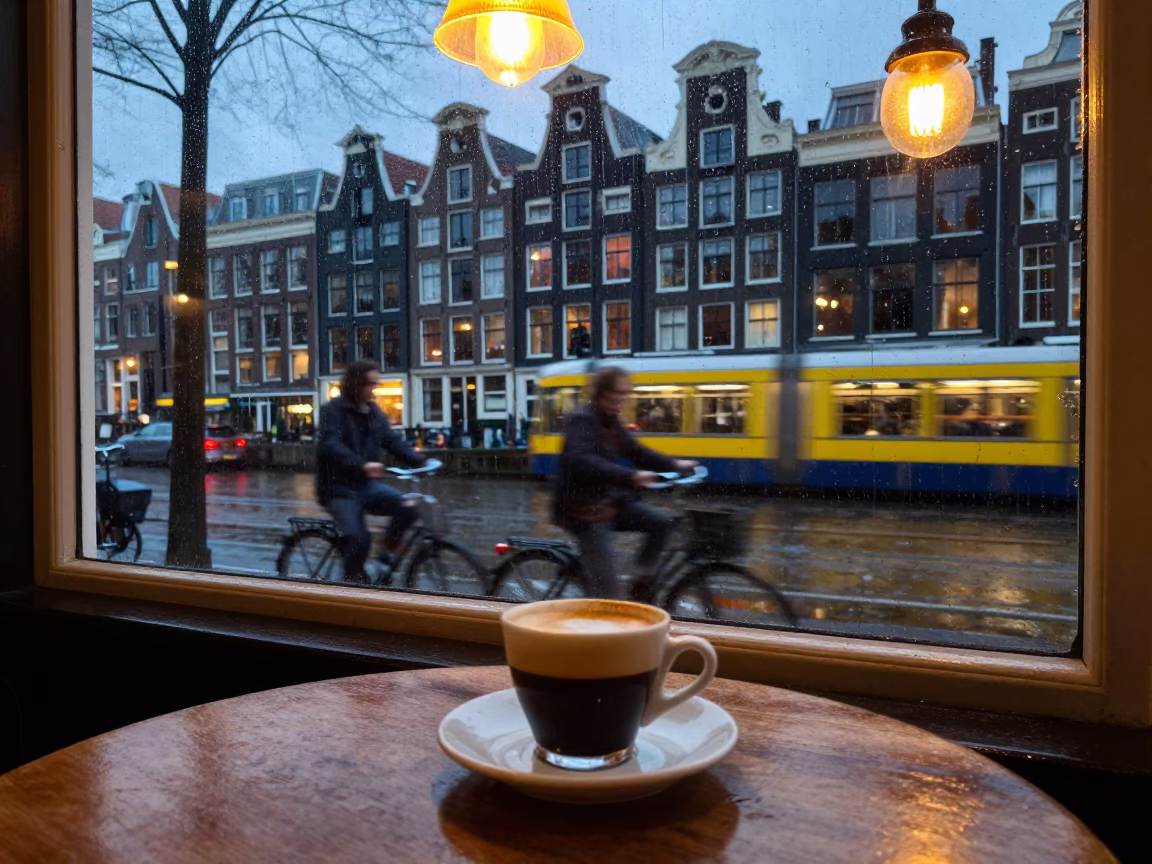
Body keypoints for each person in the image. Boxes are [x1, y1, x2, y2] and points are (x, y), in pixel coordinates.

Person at [553, 366, 697, 600]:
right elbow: (583, 461)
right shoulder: (581, 419)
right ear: (602, 393)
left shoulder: (611, 421)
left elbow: (636, 451)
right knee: (608, 593)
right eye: (617, 394)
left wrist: (674, 464)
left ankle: (641, 581)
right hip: (582, 510)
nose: (622, 400)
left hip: (608, 502)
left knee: (662, 523)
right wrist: (630, 477)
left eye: (624, 394)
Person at [316, 360, 426, 582]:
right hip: (337, 488)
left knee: (409, 507)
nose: (373, 389)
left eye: (375, 384)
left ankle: (384, 556)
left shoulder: (373, 412)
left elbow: (391, 441)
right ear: (355, 383)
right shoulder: (332, 411)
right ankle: (352, 584)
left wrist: (421, 461)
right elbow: (331, 445)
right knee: (359, 538)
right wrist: (362, 465)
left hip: (364, 485)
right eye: (369, 384)